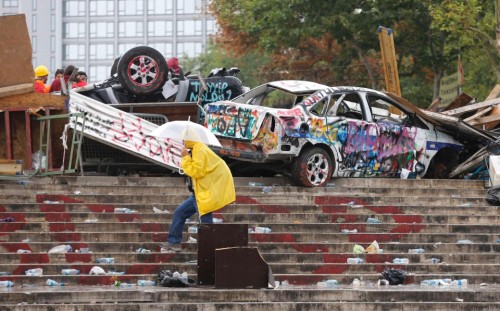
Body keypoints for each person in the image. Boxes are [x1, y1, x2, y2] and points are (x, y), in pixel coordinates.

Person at [160, 138, 236, 252]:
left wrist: (185, 157)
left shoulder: (199, 149)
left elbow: (196, 171)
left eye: (184, 139)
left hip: (205, 192)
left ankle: (209, 249)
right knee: (180, 212)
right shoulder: (196, 149)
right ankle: (174, 242)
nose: (182, 141)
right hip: (199, 192)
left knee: (205, 222)